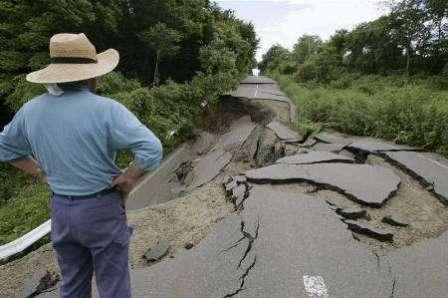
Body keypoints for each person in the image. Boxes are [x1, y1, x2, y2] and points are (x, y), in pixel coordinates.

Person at [0, 33, 163, 297]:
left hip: (61, 211)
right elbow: (152, 149)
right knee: (113, 284)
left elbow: (5, 148)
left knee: (73, 284)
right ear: (90, 75)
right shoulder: (106, 109)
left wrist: (40, 172)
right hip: (101, 209)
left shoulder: (31, 111)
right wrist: (129, 177)